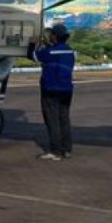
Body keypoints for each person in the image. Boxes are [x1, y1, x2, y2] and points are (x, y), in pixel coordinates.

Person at [28, 24, 75, 161]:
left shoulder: (50, 51)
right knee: (64, 118)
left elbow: (33, 56)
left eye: (51, 34)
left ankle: (55, 151)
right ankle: (66, 149)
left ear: (55, 36)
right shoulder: (69, 51)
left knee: (52, 120)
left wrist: (33, 44)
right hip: (67, 89)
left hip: (51, 89)